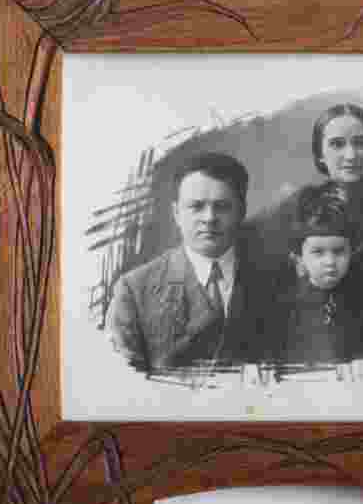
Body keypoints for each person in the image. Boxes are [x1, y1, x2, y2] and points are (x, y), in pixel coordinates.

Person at [106, 152, 264, 383]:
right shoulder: (134, 290)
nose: (209, 218)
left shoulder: (276, 279)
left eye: (222, 206)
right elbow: (122, 384)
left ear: (241, 211)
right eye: (196, 207)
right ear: (176, 213)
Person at [248, 103, 363, 290]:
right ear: (320, 153)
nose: (351, 155)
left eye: (360, 143)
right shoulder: (300, 203)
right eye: (337, 144)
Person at [265, 184, 363, 378]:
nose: (330, 262)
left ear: (351, 252)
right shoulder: (284, 306)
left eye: (339, 251)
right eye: (318, 252)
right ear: (299, 257)